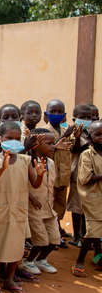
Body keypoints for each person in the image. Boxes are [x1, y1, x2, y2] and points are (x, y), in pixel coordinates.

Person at [0, 122, 46, 293]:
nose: (14, 141)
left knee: (16, 248)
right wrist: (2, 169)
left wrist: (40, 174)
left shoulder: (25, 160)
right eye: (9, 138)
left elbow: (34, 183)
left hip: (18, 210)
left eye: (17, 139)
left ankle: (9, 279)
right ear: (0, 139)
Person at [22, 128, 60, 275]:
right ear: (37, 145)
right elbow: (23, 185)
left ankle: (41, 260)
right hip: (35, 209)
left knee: (55, 239)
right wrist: (31, 198)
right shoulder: (28, 162)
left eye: (54, 143)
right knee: (41, 240)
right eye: (49, 143)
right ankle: (29, 261)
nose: (53, 146)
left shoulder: (50, 162)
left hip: (49, 207)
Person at [73, 120, 102, 277]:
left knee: (98, 230)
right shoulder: (87, 154)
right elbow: (85, 178)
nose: (101, 137)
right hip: (92, 197)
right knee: (92, 232)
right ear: (90, 137)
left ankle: (99, 257)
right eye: (98, 134)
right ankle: (80, 260)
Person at [43, 99, 73, 243]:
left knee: (61, 204)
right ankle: (52, 234)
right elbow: (45, 150)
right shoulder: (45, 131)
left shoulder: (66, 130)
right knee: (50, 203)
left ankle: (58, 228)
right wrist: (62, 139)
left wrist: (73, 136)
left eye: (59, 112)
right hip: (51, 175)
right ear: (46, 114)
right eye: (53, 111)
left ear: (65, 115)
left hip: (64, 175)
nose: (56, 114)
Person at [67, 104, 93, 247]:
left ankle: (84, 234)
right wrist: (79, 138)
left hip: (90, 176)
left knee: (87, 207)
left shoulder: (93, 132)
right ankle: (77, 235)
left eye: (89, 117)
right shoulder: (73, 133)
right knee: (77, 207)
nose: (86, 120)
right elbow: (74, 149)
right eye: (82, 117)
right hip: (77, 175)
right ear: (74, 118)